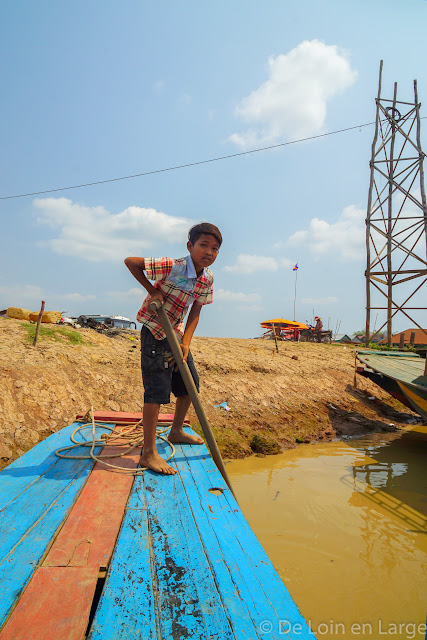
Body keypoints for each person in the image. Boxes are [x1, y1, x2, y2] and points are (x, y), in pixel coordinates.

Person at [124, 222, 222, 475]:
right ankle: (148, 453)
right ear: (190, 246)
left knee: (190, 384)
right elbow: (131, 262)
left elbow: (196, 311)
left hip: (176, 334)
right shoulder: (173, 266)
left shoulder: (207, 279)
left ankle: (176, 431)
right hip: (154, 332)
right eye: (203, 245)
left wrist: (186, 342)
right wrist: (151, 291)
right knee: (156, 391)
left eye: (214, 248)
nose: (208, 252)